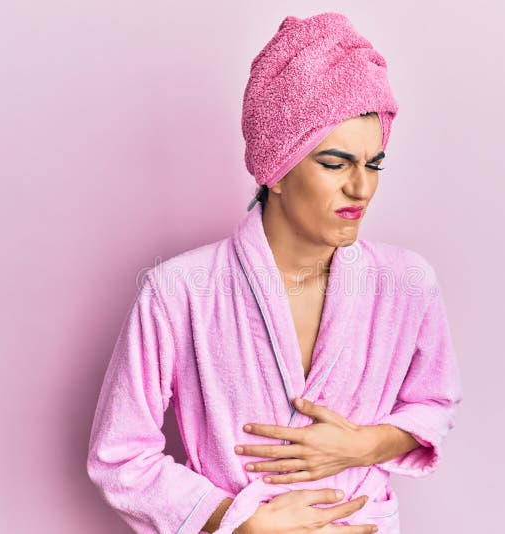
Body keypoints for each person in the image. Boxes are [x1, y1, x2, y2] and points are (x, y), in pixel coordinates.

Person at [86, 12, 463, 533]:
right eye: (336, 164)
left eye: (373, 163)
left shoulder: (408, 282)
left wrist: (364, 445)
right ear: (277, 168)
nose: (362, 188)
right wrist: (242, 522)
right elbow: (120, 455)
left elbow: (434, 401)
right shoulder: (179, 291)